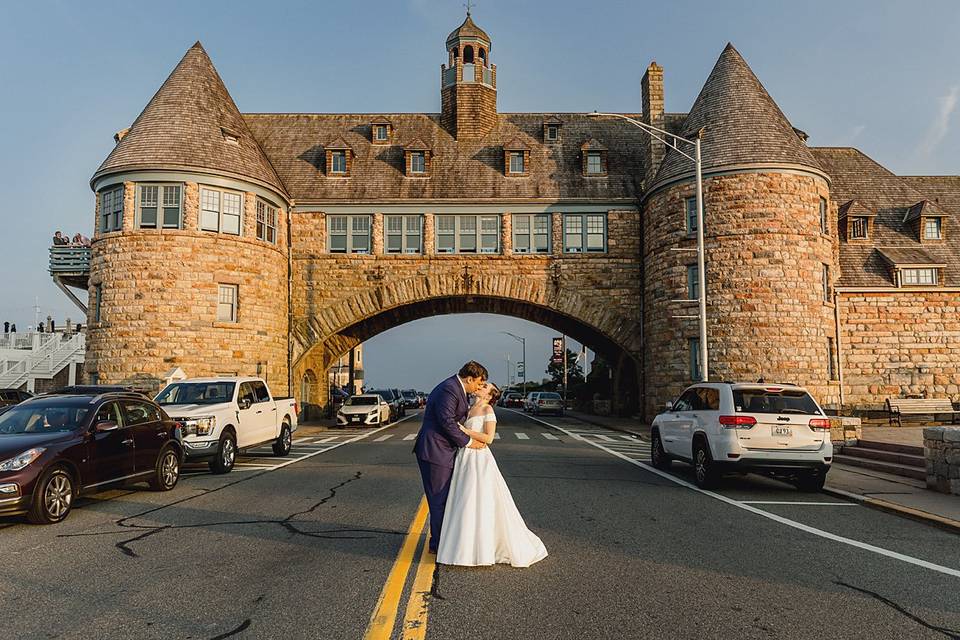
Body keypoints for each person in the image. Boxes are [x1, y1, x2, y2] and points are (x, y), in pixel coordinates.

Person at [437, 382, 548, 568]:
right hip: (465, 456)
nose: (481, 386)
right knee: (463, 499)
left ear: (490, 395)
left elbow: (489, 438)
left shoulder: (488, 409)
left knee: (478, 499)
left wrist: (465, 431)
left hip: (479, 458)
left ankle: (481, 548)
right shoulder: (470, 408)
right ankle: (462, 547)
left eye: (485, 386)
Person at [413, 361, 488, 553]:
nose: (479, 387)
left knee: (445, 498)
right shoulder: (450, 389)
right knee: (439, 500)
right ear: (469, 378)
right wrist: (470, 442)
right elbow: (447, 422)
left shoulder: (456, 388)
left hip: (443, 450)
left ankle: (442, 541)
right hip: (435, 451)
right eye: (478, 383)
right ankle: (438, 545)